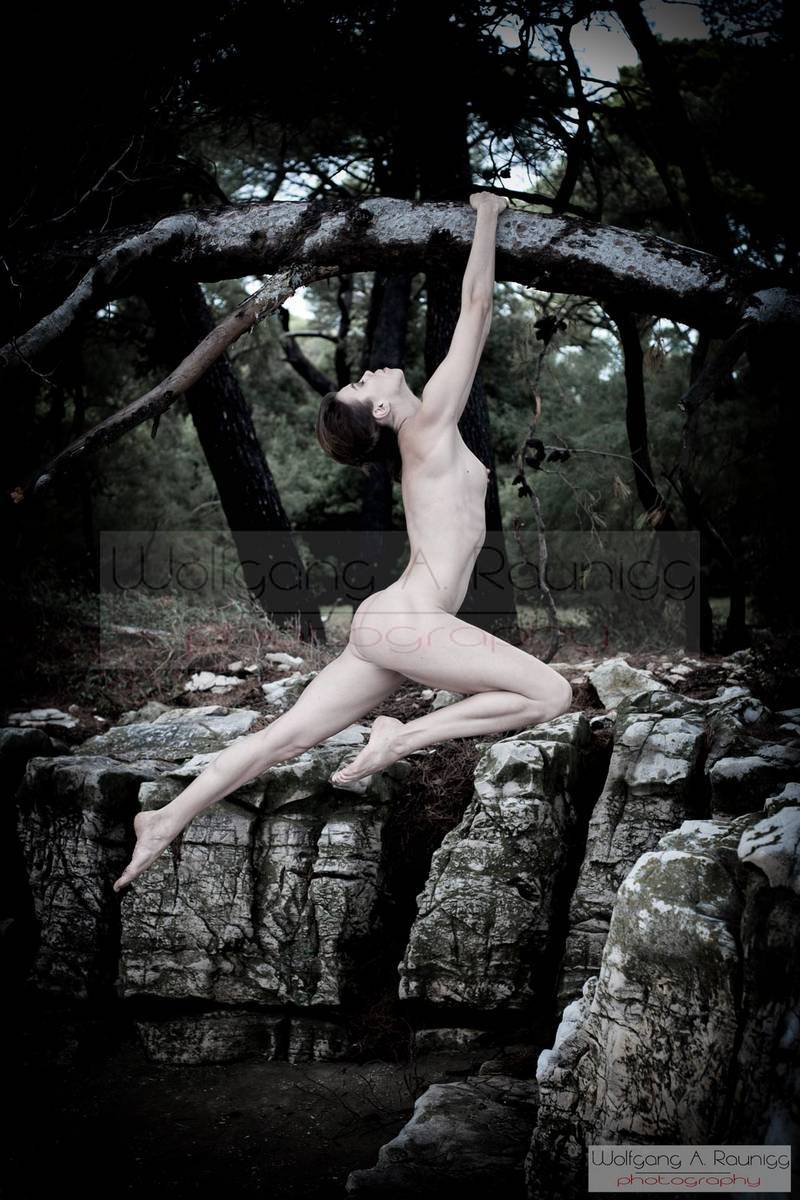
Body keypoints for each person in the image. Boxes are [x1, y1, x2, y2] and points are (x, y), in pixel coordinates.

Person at [112, 191, 572, 893]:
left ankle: (165, 818)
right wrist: (487, 216)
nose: (367, 372)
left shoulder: (425, 437)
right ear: (382, 410)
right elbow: (476, 309)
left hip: (391, 621)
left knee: (284, 738)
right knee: (551, 694)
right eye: (362, 383)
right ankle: (402, 736)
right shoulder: (429, 425)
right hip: (408, 621)